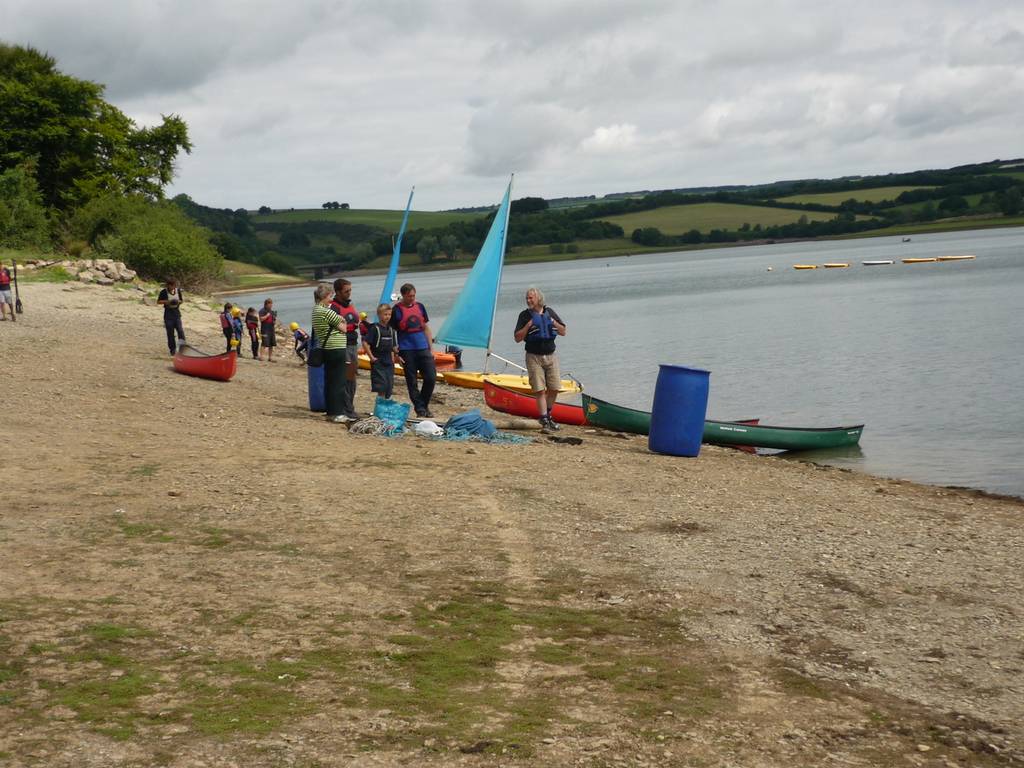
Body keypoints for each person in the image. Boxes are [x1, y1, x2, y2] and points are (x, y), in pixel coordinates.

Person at [514, 286, 566, 432]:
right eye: (527, 298)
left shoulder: (550, 312)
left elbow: (563, 331)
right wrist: (528, 325)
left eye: (531, 298)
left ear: (538, 299)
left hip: (551, 355)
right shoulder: (524, 316)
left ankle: (548, 415)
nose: (528, 300)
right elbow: (517, 338)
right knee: (539, 389)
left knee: (555, 387)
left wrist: (553, 322)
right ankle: (543, 417)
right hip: (533, 356)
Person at [390, 283, 436, 417]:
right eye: (409, 296)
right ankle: (421, 410)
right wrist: (395, 352)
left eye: (414, 295)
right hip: (406, 349)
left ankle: (422, 405)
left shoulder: (420, 307)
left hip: (423, 347)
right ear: (403, 295)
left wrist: (431, 348)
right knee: (412, 381)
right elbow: (391, 331)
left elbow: (426, 328)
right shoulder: (397, 310)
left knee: (431, 378)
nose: (412, 298)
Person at [311, 283, 350, 423]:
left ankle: (330, 411)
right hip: (336, 348)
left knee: (329, 381)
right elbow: (344, 327)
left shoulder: (316, 310)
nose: (332, 299)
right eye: (331, 296)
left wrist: (340, 322)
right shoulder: (327, 312)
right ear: (325, 296)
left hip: (326, 348)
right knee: (338, 382)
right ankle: (337, 413)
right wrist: (342, 321)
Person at [329, 278, 361, 421]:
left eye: (350, 290)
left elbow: (355, 320)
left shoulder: (350, 304)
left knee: (352, 378)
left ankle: (349, 407)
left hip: (353, 344)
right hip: (342, 345)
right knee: (346, 378)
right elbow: (336, 326)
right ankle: (347, 409)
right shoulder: (334, 307)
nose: (349, 293)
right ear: (337, 292)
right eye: (346, 291)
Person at [362, 303, 399, 400]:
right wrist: (371, 357)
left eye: (389, 315)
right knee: (381, 387)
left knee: (389, 387)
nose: (387, 317)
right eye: (385, 314)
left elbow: (393, 347)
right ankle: (379, 411)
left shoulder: (391, 330)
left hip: (388, 362)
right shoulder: (375, 328)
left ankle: (385, 409)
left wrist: (396, 356)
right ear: (379, 315)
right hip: (378, 361)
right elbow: (365, 343)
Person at [157, 278, 185, 355]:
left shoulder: (178, 291)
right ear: (168, 285)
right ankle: (172, 350)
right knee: (170, 333)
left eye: (175, 285)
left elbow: (181, 300)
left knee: (180, 331)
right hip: (168, 314)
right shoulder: (163, 292)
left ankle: (183, 348)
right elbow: (159, 301)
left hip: (176, 314)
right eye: (173, 285)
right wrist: (168, 302)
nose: (174, 287)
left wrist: (177, 302)